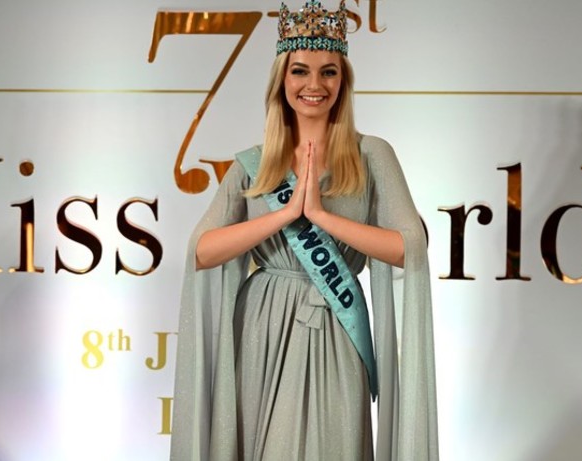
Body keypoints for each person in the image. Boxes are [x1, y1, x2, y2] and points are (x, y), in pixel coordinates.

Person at [170, 1, 438, 459]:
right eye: (300, 71)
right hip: (262, 326)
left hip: (336, 321)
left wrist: (320, 216)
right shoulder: (253, 164)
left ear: (343, 81)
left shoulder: (372, 154)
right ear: (282, 80)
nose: (314, 85)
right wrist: (283, 214)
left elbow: (408, 246)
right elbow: (202, 250)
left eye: (328, 72)